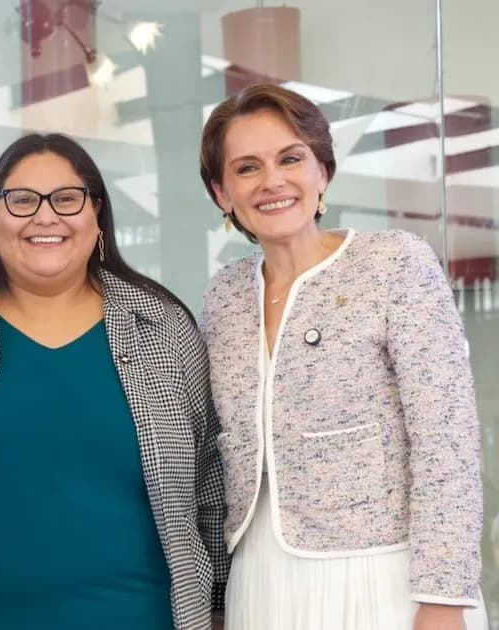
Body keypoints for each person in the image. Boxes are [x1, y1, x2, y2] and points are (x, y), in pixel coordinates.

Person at [0, 133, 227, 630]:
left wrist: (219, 606)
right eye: (22, 200)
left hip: (143, 616)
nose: (46, 217)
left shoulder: (163, 323)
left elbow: (211, 482)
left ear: (96, 214)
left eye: (67, 199)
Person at [198, 83, 485, 630]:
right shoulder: (224, 296)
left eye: (290, 158)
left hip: (384, 577)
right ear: (221, 193)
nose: (272, 181)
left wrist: (445, 598)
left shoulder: (394, 264)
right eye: (247, 168)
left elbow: (447, 439)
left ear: (322, 172)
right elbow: (220, 450)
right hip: (260, 578)